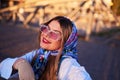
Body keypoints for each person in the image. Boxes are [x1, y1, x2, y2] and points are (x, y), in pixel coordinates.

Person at [0, 16, 92, 80]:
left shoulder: (67, 64)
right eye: (46, 28)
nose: (46, 35)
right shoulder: (40, 54)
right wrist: (21, 63)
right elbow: (3, 65)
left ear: (66, 41)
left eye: (54, 33)